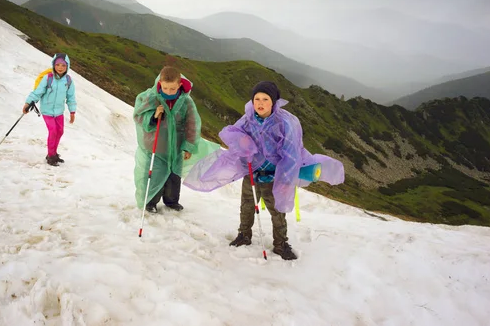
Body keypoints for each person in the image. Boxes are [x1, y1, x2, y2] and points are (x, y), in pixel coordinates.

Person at [184, 81, 345, 260]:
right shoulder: (248, 119)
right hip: (252, 173)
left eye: (265, 99)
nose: (260, 103)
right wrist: (242, 141)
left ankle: (281, 244)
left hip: (274, 177)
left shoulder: (284, 123)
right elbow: (233, 132)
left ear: (274, 102)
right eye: (257, 99)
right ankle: (244, 235)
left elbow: (291, 155)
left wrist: (285, 182)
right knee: (246, 207)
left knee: (277, 212)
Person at [132, 66, 202, 213]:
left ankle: (172, 201)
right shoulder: (152, 97)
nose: (168, 92)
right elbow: (138, 116)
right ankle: (150, 201)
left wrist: (188, 146)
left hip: (175, 146)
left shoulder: (186, 102)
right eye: (165, 88)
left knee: (173, 175)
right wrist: (154, 116)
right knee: (155, 173)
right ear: (160, 84)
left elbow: (192, 124)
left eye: (172, 89)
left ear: (179, 85)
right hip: (156, 145)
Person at [23, 53, 77, 166]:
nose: (60, 67)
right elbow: (38, 92)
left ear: (67, 66)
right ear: (53, 65)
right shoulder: (48, 78)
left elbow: (71, 97)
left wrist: (72, 111)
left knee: (60, 131)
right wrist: (28, 103)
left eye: (63, 65)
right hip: (47, 110)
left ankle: (53, 153)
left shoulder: (68, 80)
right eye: (57, 65)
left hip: (59, 111)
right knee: (53, 131)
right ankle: (51, 156)